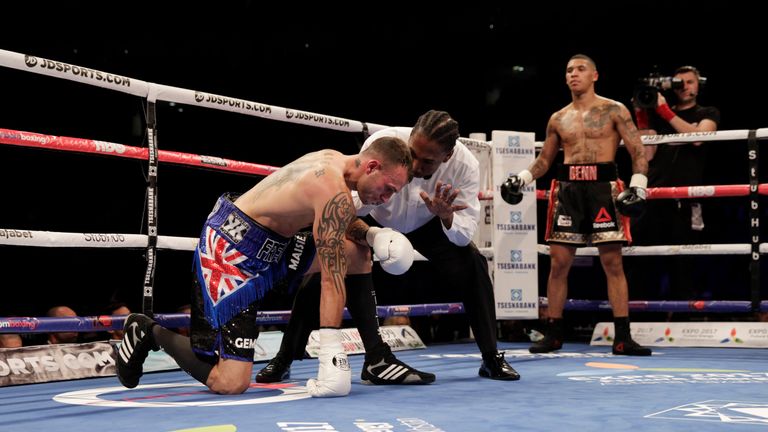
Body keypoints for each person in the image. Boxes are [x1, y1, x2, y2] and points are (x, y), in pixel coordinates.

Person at [116, 136, 414, 397]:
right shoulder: (330, 184)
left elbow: (336, 220)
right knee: (230, 382)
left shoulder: (337, 163)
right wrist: (332, 354)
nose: (386, 199)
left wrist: (373, 235)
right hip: (232, 250)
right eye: (388, 189)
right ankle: (148, 331)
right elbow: (331, 278)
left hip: (275, 247)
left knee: (358, 255)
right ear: (372, 166)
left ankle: (375, 357)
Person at [256, 110, 520, 384]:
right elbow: (348, 198)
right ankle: (286, 356)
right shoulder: (385, 143)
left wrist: (446, 216)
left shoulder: (465, 165)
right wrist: (369, 235)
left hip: (430, 219)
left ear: (447, 156)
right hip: (373, 210)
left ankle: (491, 357)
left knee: (474, 264)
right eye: (412, 153)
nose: (415, 165)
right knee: (329, 262)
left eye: (427, 160)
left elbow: (464, 234)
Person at [501, 54, 651, 356]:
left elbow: (638, 151)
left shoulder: (614, 109)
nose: (574, 74)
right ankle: (553, 333)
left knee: (612, 263)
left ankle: (622, 336)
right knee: (558, 264)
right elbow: (545, 160)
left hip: (603, 188)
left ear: (595, 75)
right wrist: (521, 178)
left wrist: (639, 187)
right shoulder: (558, 118)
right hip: (568, 189)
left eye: (581, 69)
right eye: (569, 70)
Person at [631, 65, 720, 300]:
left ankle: (682, 318)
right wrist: (641, 114)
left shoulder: (707, 112)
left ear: (698, 85)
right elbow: (647, 154)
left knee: (683, 262)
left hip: (686, 200)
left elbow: (699, 139)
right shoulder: (660, 115)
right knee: (646, 259)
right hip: (655, 196)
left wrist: (664, 112)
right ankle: (645, 319)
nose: (684, 87)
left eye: (689, 82)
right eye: (678, 82)